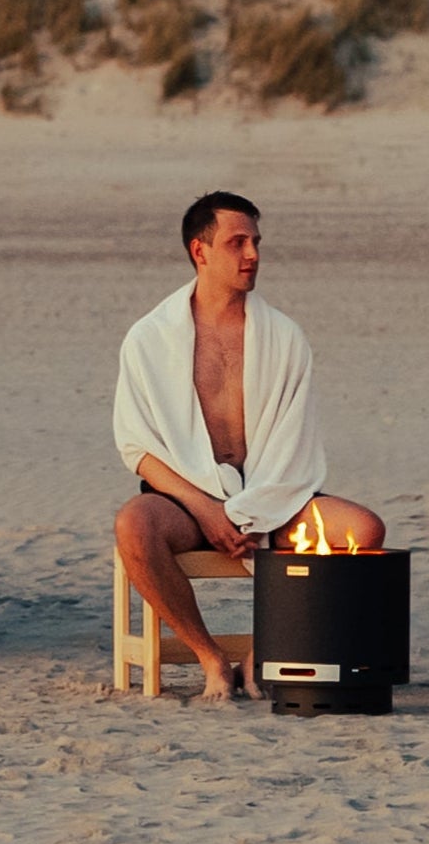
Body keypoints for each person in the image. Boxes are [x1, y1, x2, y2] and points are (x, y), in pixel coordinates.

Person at [112, 191, 387, 702]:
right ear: (200, 251)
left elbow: (295, 440)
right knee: (134, 524)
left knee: (363, 530)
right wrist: (208, 509)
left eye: (256, 242)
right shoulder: (150, 337)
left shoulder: (284, 335)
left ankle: (261, 653)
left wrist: (253, 512)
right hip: (187, 500)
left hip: (274, 493)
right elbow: (137, 447)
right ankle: (210, 658)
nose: (253, 254)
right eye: (237, 243)